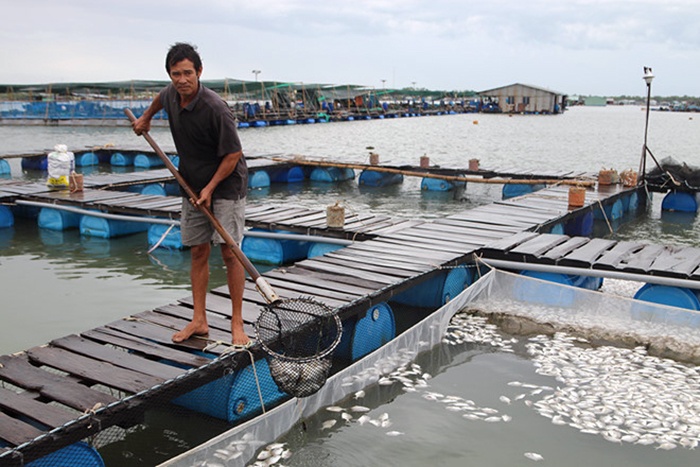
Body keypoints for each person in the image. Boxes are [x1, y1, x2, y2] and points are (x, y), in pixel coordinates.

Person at [132, 42, 249, 346]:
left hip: (226, 185)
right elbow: (160, 99)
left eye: (187, 73)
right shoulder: (171, 94)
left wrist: (210, 189)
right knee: (198, 250)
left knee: (230, 252)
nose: (181, 80)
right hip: (191, 184)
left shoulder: (215, 108)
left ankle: (237, 322)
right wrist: (146, 118)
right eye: (175, 74)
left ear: (199, 71)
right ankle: (199, 320)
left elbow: (233, 154)